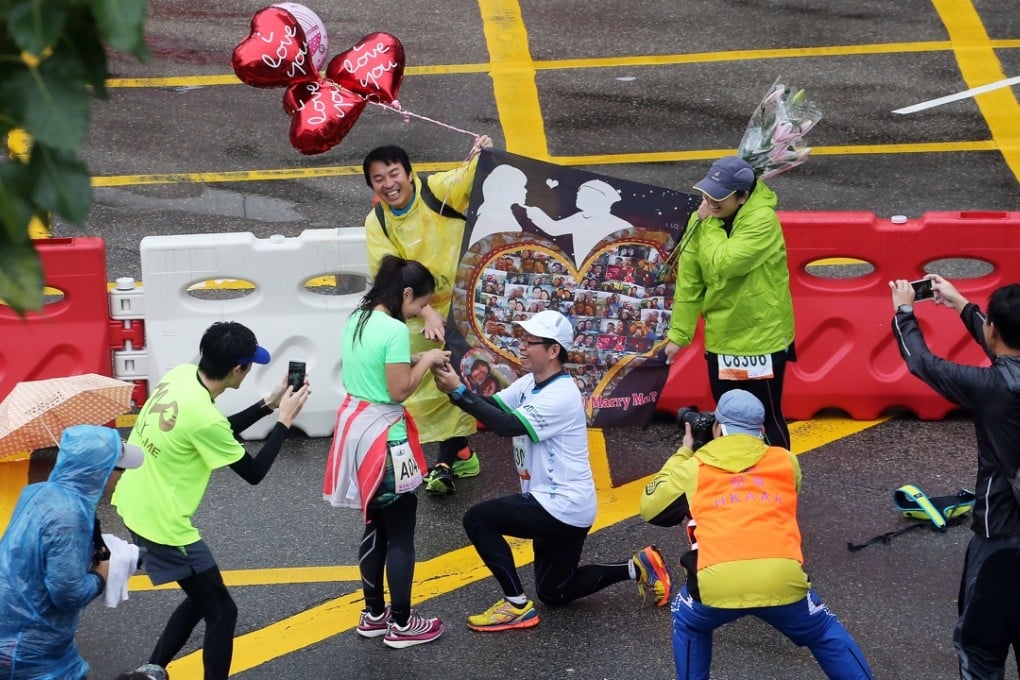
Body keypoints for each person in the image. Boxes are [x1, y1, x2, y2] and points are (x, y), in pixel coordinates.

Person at [431, 309, 671, 631]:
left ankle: (516, 605)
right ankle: (636, 567)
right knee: (555, 591)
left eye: (529, 341)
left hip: (559, 503)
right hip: (565, 506)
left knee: (478, 518)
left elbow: (506, 425)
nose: (521, 345)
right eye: (522, 338)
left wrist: (458, 393)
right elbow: (491, 409)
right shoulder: (530, 383)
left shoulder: (560, 394)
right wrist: (455, 387)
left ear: (553, 350)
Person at [112, 321, 309, 680]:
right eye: (249, 365)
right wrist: (284, 421)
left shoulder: (182, 377)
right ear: (237, 369)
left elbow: (216, 429)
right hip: (164, 526)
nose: (249, 371)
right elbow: (253, 472)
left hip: (134, 501)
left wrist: (268, 404)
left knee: (202, 596)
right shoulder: (204, 418)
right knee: (222, 612)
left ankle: (152, 668)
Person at [639, 389, 873, 680]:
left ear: (717, 428)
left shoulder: (693, 469)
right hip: (782, 579)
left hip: (717, 583)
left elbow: (650, 508)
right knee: (824, 630)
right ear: (761, 429)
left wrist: (685, 450)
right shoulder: (787, 462)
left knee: (689, 622)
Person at [890, 276, 1020, 678]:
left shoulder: (991, 388)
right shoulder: (1000, 378)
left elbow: (922, 363)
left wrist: (904, 312)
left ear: (993, 329)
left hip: (1001, 536)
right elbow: (1007, 353)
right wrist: (962, 305)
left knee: (979, 650)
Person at [323, 255, 450, 648]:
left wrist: (416, 359)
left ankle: (374, 614)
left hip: (356, 434)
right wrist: (428, 358)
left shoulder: (357, 317)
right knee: (401, 535)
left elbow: (375, 368)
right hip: (387, 439)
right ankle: (402, 623)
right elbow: (398, 391)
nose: (415, 315)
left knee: (374, 525)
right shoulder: (394, 329)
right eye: (417, 305)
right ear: (406, 294)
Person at [363, 135, 494, 495]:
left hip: (469, 301)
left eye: (394, 174)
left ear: (410, 173)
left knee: (458, 379)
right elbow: (388, 274)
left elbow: (468, 176)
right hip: (420, 309)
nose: (389, 184)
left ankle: (443, 462)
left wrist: (481, 152)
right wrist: (426, 310)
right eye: (379, 179)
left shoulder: (437, 190)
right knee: (423, 388)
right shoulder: (377, 222)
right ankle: (459, 453)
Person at [662, 156, 795, 450]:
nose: (709, 201)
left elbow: (726, 263)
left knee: (766, 417)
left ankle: (782, 484)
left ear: (743, 196)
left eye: (719, 197)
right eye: (707, 193)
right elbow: (690, 280)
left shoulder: (762, 221)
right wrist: (679, 335)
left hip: (762, 340)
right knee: (726, 418)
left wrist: (705, 224)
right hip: (722, 341)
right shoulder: (705, 217)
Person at [0, 425, 144, 680]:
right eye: (118, 467)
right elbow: (68, 593)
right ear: (99, 471)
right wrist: (101, 574)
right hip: (28, 648)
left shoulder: (39, 491)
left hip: (16, 628)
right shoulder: (70, 515)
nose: (122, 474)